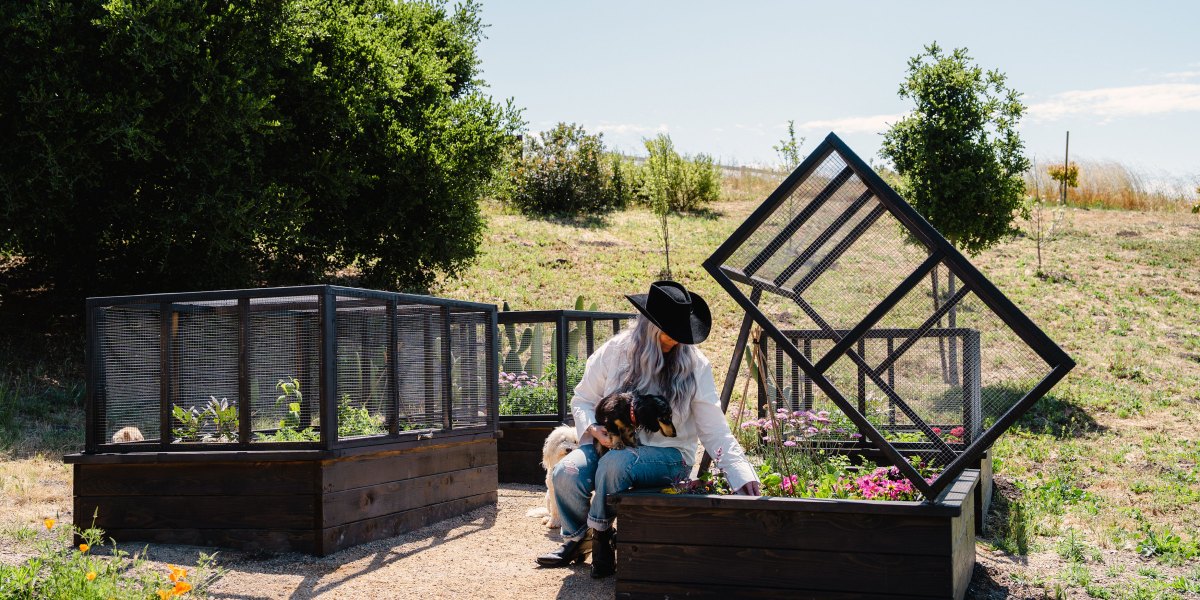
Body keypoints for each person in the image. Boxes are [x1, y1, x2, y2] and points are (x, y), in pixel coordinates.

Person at [535, 280, 761, 578]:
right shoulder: (615, 352)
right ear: (647, 325)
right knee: (567, 472)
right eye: (669, 333)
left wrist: (741, 474)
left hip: (669, 455)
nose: (675, 341)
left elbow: (715, 428)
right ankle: (578, 539)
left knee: (616, 463)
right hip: (611, 444)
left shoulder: (696, 365)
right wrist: (593, 428)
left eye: (681, 334)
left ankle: (601, 535)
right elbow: (583, 400)